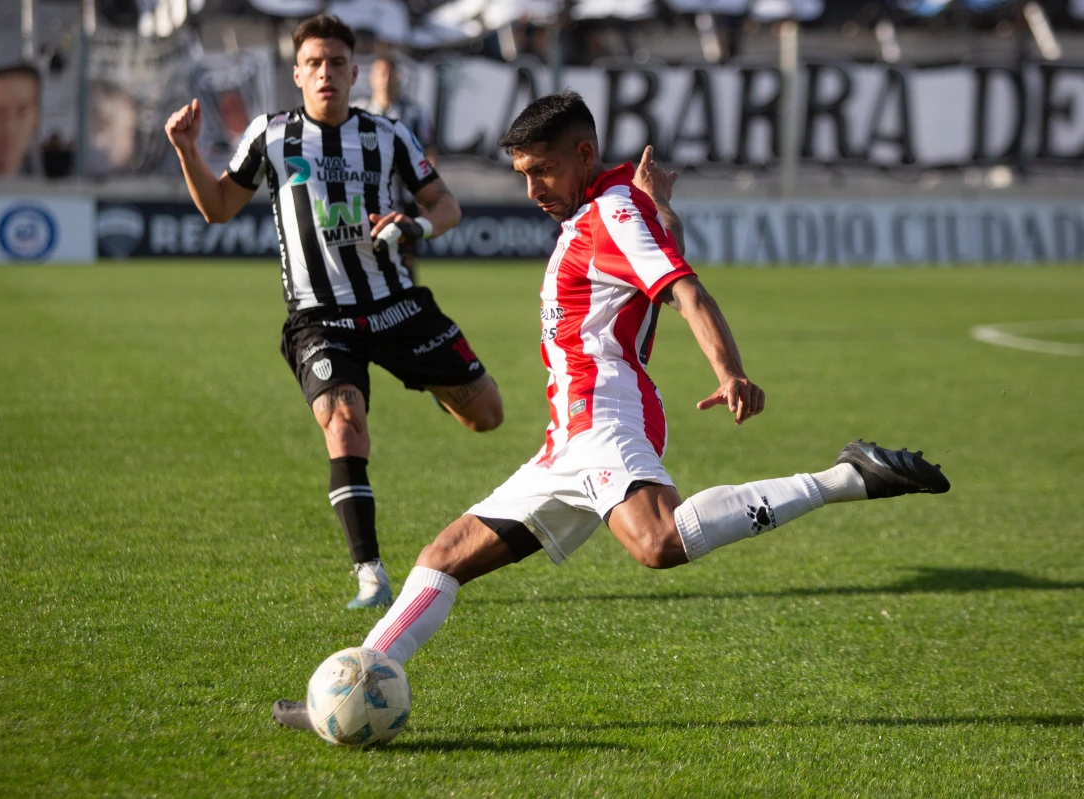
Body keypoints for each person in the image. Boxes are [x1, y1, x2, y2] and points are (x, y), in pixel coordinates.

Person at [271, 91, 950, 730]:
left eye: (542, 171)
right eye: (522, 174)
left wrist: (731, 371)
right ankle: (346, 689)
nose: (532, 190)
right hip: (566, 438)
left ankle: (847, 476)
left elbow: (683, 288)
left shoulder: (611, 212)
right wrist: (664, 212)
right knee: (443, 556)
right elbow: (661, 257)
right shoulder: (612, 209)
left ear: (583, 155)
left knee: (657, 542)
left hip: (603, 413)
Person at [164, 15, 504, 610]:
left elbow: (445, 205)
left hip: (395, 304)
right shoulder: (270, 137)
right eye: (314, 63)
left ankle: (425, 377)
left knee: (488, 416)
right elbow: (218, 208)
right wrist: (188, 151)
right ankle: (370, 573)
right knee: (344, 421)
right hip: (320, 316)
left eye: (337, 63)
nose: (326, 73)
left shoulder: (388, 135)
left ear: (353, 72)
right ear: (296, 74)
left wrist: (416, 224)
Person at [355, 55, 436, 280]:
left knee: (406, 257)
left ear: (399, 78)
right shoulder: (358, 110)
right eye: (381, 73)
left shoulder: (414, 112)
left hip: (405, 198)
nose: (386, 79)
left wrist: (426, 191)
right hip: (366, 198)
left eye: (391, 73)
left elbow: (429, 153)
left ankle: (409, 304)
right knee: (367, 256)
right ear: (371, 78)